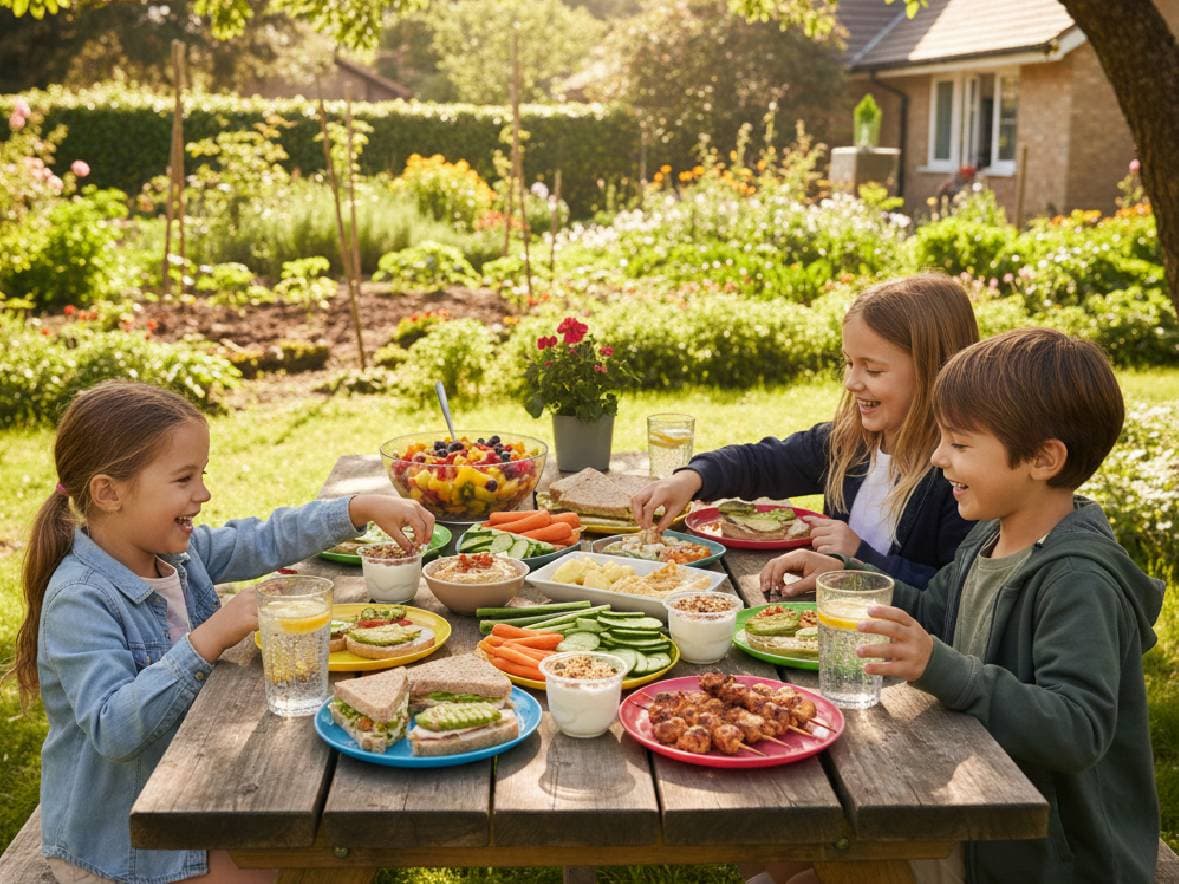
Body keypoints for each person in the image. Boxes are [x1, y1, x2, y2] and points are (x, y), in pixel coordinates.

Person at [768, 328, 1163, 882]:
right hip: (981, 804)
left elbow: (1077, 729)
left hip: (1044, 854)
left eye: (959, 444)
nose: (937, 458)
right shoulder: (990, 536)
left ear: (1043, 459)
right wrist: (848, 576)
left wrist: (943, 668)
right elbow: (937, 614)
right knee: (784, 837)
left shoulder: (1077, 582)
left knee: (833, 847)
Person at [11, 381, 435, 884]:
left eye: (203, 474)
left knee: (331, 827)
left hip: (184, 794)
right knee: (304, 847)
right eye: (184, 479)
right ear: (108, 492)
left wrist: (355, 509)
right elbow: (113, 727)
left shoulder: (175, 553)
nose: (203, 493)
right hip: (124, 844)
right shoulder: (80, 599)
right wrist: (211, 636)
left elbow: (261, 539)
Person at [633, 273, 979, 589]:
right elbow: (765, 462)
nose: (851, 382)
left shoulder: (958, 480)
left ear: (935, 371)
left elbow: (956, 594)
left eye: (872, 370)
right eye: (849, 363)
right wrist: (692, 478)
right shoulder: (848, 444)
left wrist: (859, 558)